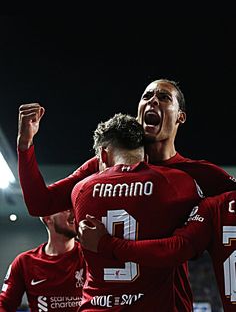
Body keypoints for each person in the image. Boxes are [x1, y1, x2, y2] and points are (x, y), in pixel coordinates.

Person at [17, 80, 236, 311]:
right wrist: (25, 145)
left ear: (180, 116)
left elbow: (38, 203)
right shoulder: (105, 167)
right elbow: (41, 203)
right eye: (147, 96)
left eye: (163, 97)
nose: (152, 100)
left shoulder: (198, 174)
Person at [71, 112, 203, 311]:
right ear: (147, 154)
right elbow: (185, 246)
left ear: (103, 155)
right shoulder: (176, 182)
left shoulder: (80, 190)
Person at [78, 191, 236, 312]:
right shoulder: (217, 201)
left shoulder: (219, 204)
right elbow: (177, 248)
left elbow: (176, 249)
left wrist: (107, 244)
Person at [0, 209, 86, 312]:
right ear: (48, 218)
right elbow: (4, 304)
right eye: (66, 210)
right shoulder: (24, 262)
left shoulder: (90, 256)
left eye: (73, 208)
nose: (74, 214)